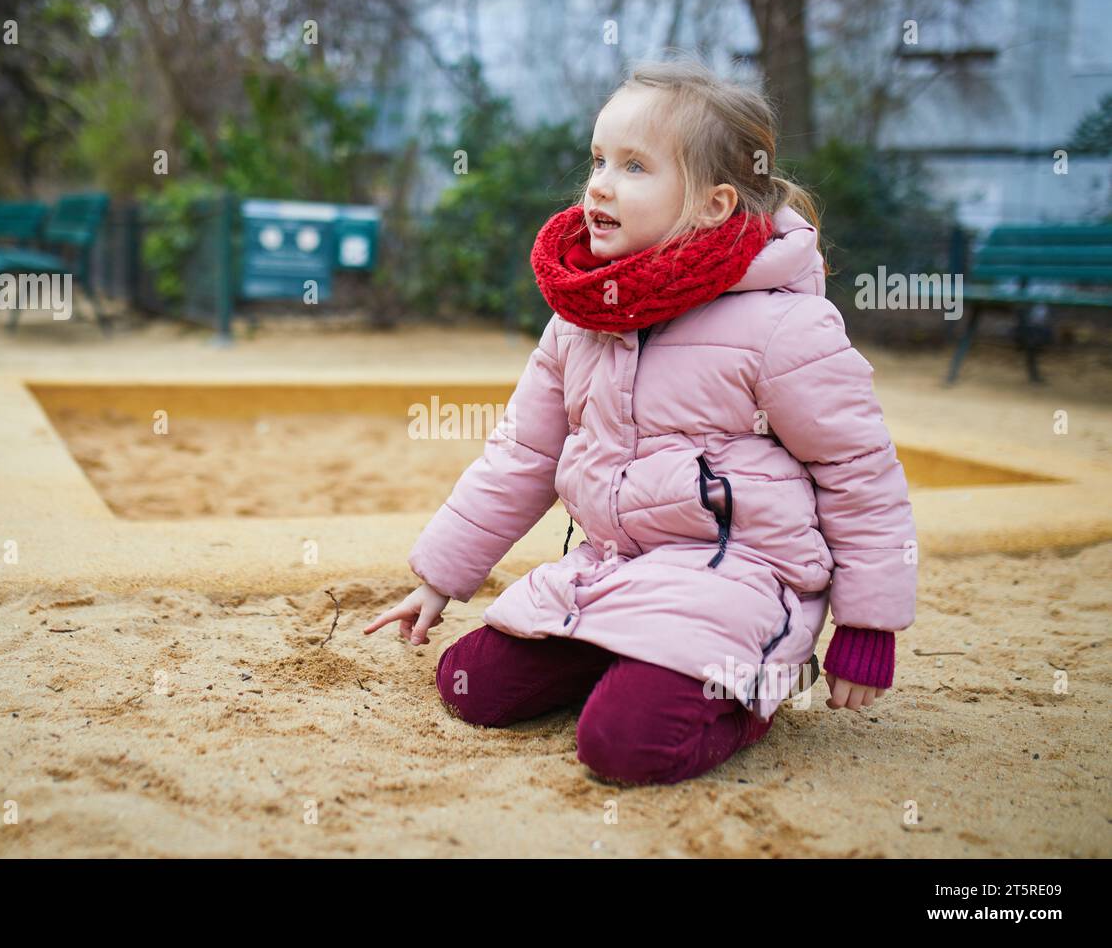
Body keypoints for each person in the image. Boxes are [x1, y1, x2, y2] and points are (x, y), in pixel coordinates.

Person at [363, 56, 917, 787]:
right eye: (598, 159)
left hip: (741, 576)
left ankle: (746, 693)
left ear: (715, 205)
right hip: (617, 568)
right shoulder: (584, 318)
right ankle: (630, 649)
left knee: (624, 745)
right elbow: (522, 453)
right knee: (474, 686)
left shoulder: (786, 327)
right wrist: (439, 578)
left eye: (633, 166)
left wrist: (869, 625)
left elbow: (859, 472)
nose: (598, 183)